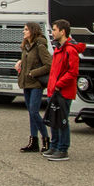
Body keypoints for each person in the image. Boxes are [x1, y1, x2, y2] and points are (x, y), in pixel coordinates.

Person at [44, 19, 83, 162]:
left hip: (63, 92)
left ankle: (63, 148)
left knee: (62, 120)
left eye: (54, 30)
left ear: (62, 31)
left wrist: (59, 84)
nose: (52, 32)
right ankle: (54, 146)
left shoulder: (70, 50)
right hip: (54, 91)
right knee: (54, 120)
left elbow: (73, 72)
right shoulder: (59, 49)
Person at [16, 21, 52, 153]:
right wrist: (20, 63)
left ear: (32, 30)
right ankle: (33, 141)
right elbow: (29, 60)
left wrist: (33, 73)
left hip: (35, 83)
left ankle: (46, 139)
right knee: (31, 114)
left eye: (26, 29)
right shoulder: (26, 45)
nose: (23, 31)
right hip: (26, 83)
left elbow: (49, 64)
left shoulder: (40, 45)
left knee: (34, 111)